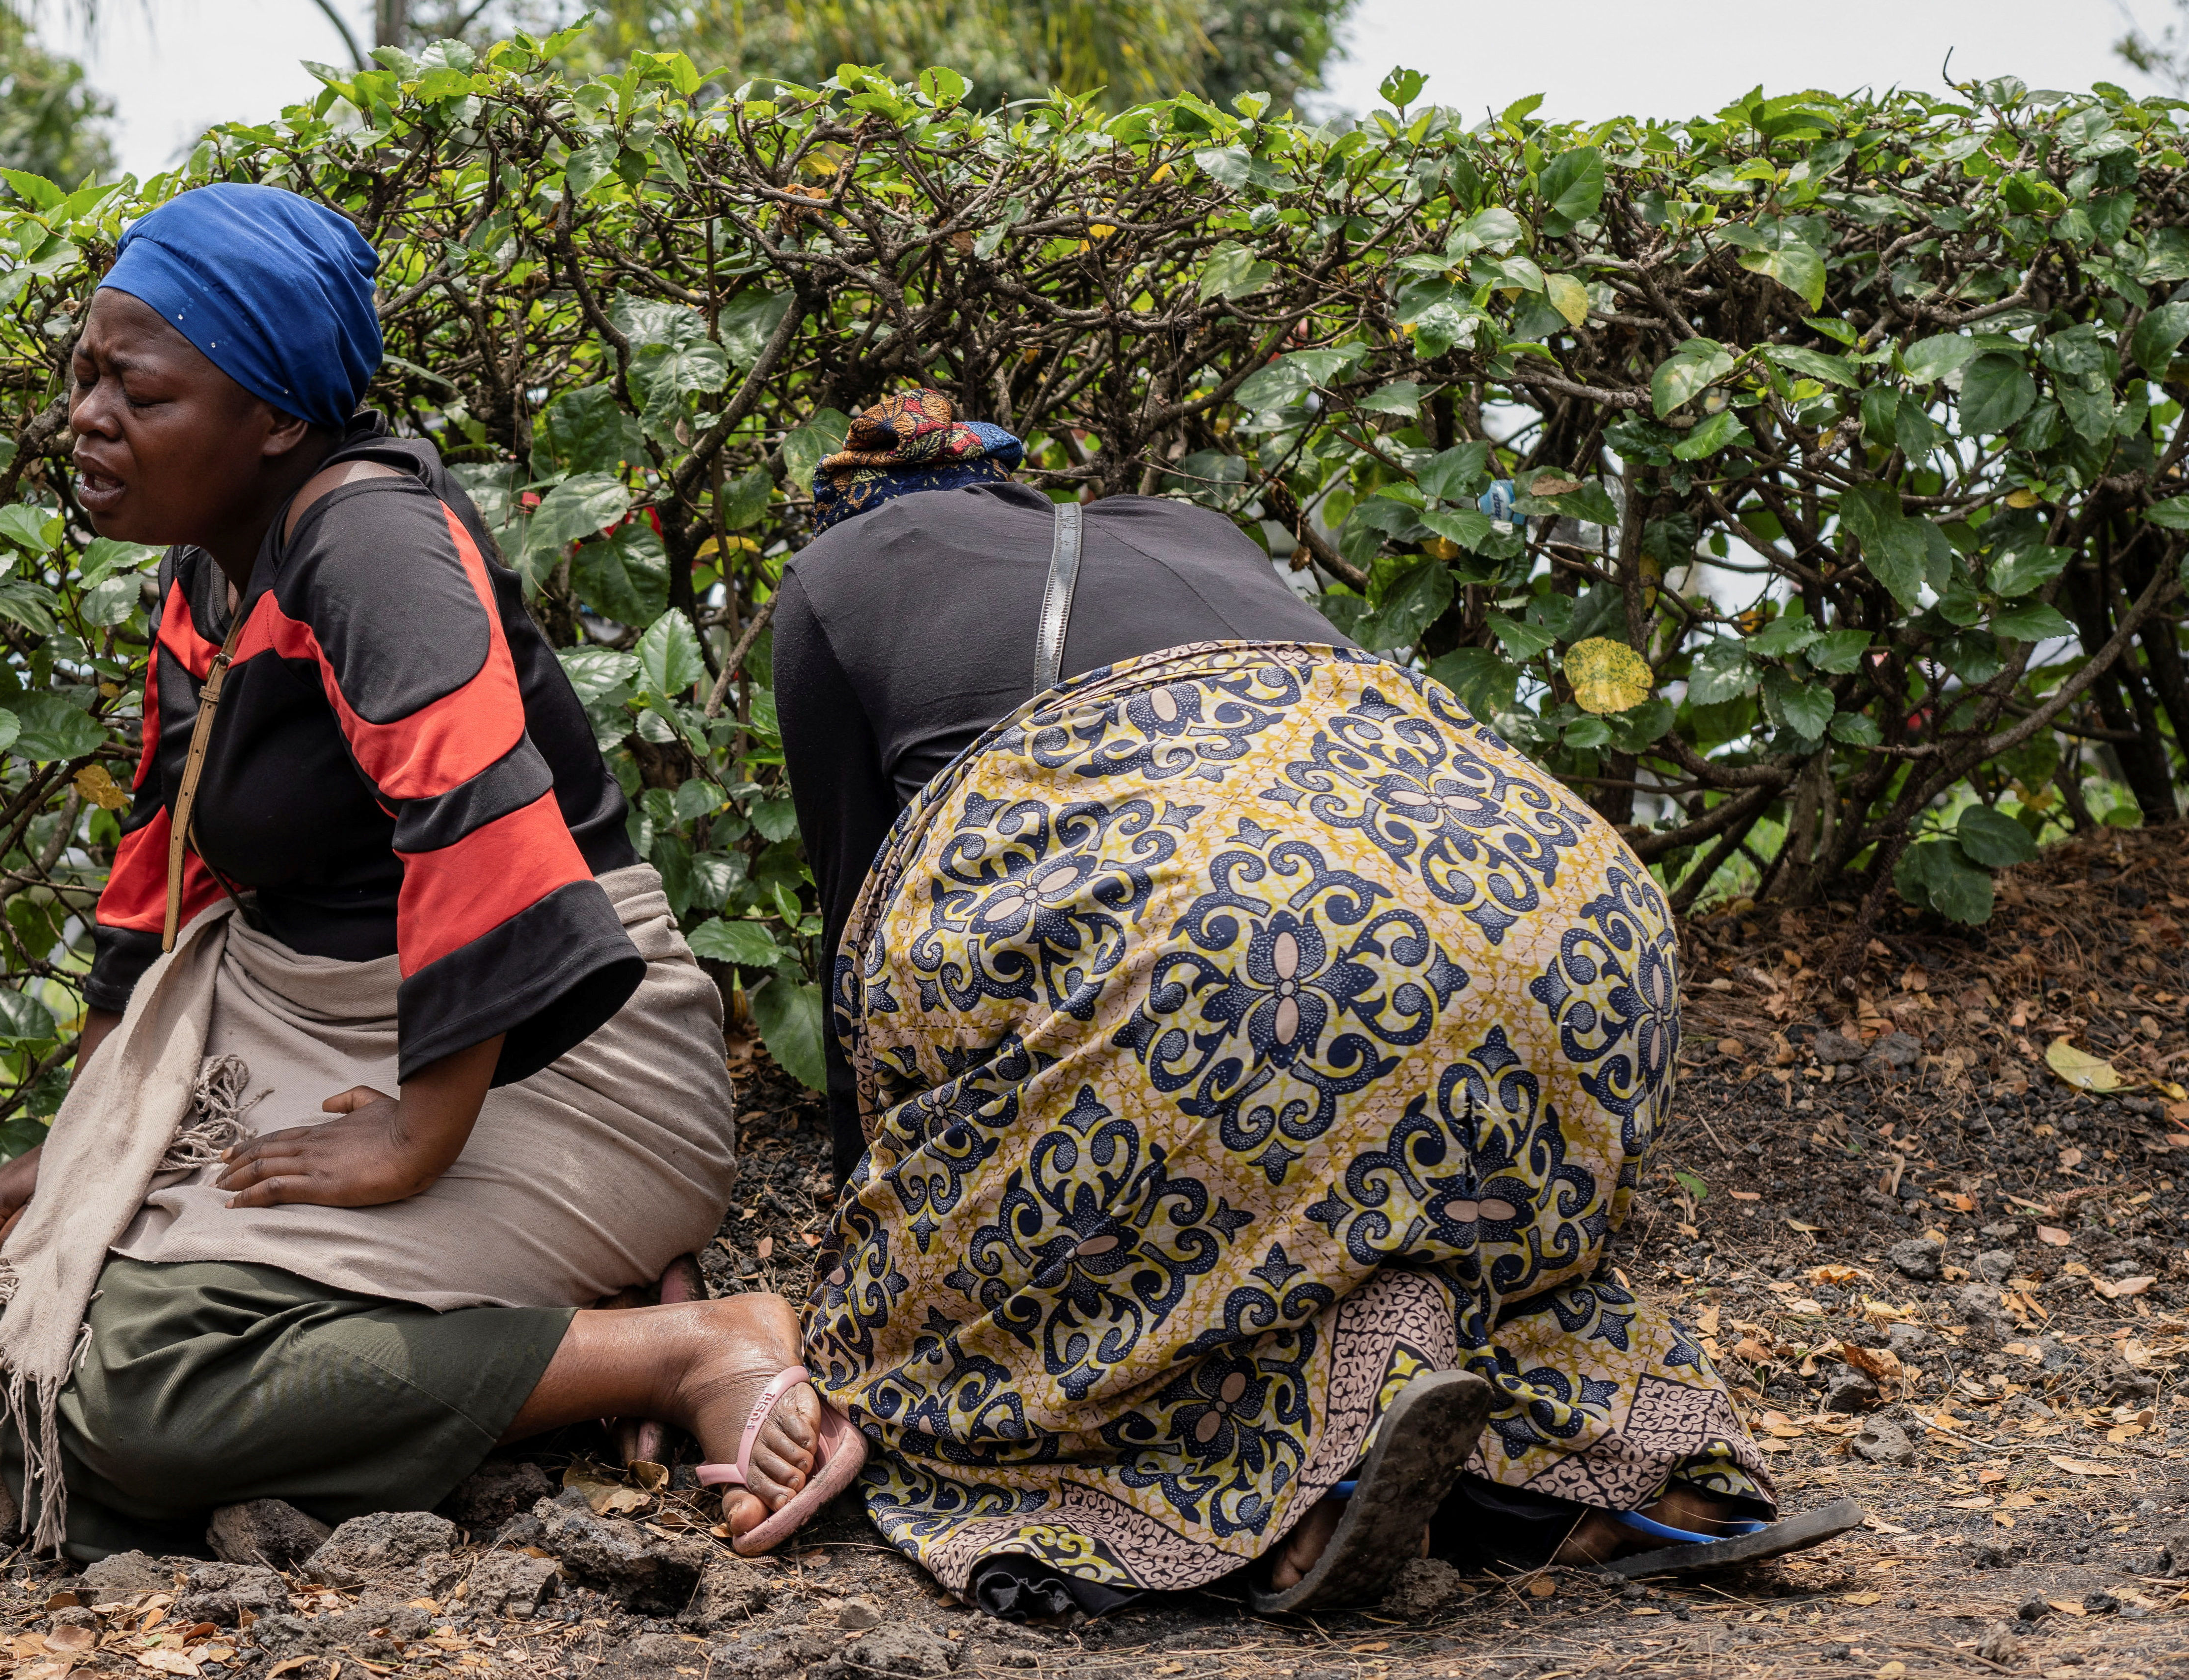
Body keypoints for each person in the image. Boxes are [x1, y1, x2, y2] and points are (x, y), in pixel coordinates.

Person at [773, 391, 1856, 1615]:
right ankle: (1615, 1471)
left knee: (927, 1352)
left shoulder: (834, 568)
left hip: (1238, 927)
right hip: (1569, 903)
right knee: (1420, 1230)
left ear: (853, 499)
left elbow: (867, 936)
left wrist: (889, 1233)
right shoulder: (1191, 526)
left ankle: (1275, 1490)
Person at [0, 183, 862, 1563]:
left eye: (139, 390)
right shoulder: (212, 573)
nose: (87, 416)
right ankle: (557, 1315)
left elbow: (479, 833)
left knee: (136, 1396)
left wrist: (420, 1135)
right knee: (48, 1302)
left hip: (543, 1050)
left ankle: (679, 1346)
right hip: (318, 1021)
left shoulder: (370, 545)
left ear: (276, 423)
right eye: (82, 375)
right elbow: (152, 873)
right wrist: (81, 1140)